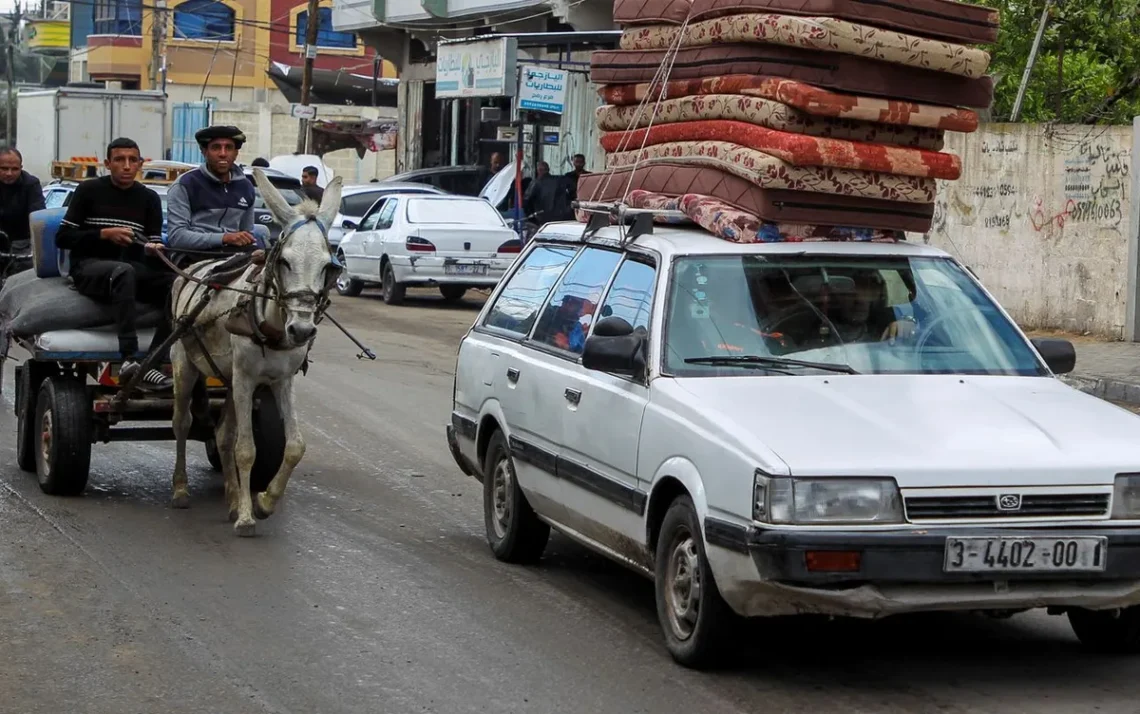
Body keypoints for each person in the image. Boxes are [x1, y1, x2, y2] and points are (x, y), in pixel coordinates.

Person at [57, 138, 174, 391]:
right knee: (124, 272)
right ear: (108, 163)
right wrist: (103, 234)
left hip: (132, 267)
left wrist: (154, 249)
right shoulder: (88, 191)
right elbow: (63, 238)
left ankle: (154, 361)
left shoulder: (149, 198)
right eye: (120, 160)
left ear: (140, 164)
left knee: (177, 285)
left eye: (133, 160)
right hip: (90, 267)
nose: (127, 166)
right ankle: (130, 358)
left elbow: (152, 242)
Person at [166, 125, 262, 266]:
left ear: (235, 153)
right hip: (192, 256)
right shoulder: (185, 184)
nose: (223, 154)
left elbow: (246, 232)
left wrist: (242, 239)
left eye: (228, 148)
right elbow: (177, 237)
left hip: (233, 254)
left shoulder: (246, 187)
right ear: (204, 151)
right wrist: (224, 238)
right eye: (216, 147)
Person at [0, 146, 45, 275]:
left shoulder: (31, 184)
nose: (9, 173)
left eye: (14, 169)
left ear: (21, 168)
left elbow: (38, 215)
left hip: (22, 245)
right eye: (4, 168)